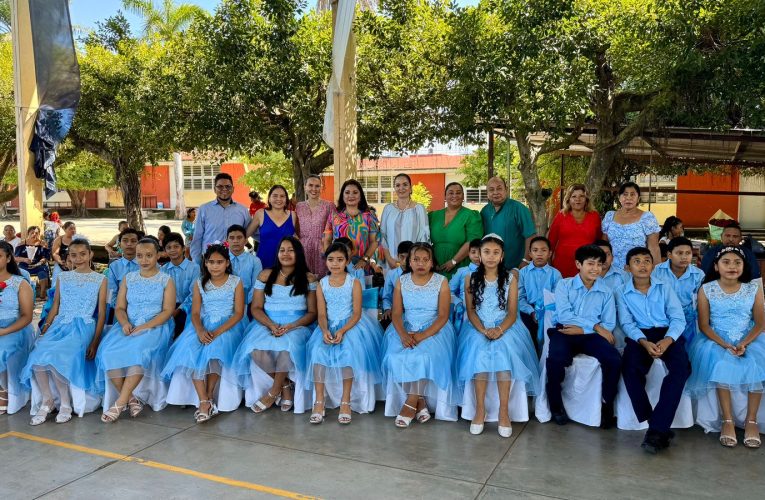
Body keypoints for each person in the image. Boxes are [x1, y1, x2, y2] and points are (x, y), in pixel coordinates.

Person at [458, 235, 540, 437]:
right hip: (478, 326)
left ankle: (504, 411)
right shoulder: (470, 278)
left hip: (506, 325)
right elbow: (470, 311)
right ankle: (480, 410)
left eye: (496, 252)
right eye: (486, 252)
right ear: (479, 255)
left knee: (504, 353)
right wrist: (484, 330)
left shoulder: (511, 278)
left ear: (502, 255)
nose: (491, 256)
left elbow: (513, 312)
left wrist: (499, 329)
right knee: (479, 353)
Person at [22, 238, 108, 425]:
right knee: (37, 355)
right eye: (74, 255)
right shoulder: (63, 277)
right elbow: (55, 307)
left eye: (83, 254)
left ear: (90, 255)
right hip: (60, 324)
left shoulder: (100, 279)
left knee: (57, 355)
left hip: (83, 326)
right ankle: (47, 401)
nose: (78, 258)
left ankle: (66, 404)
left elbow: (102, 312)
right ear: (69, 256)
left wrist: (95, 341)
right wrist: (45, 327)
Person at [687, 246, 765, 449]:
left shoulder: (753, 288)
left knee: (756, 363)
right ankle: (727, 420)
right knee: (721, 363)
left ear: (743, 266)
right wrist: (726, 345)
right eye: (726, 262)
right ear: (716, 266)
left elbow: (760, 323)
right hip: (717, 338)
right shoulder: (707, 289)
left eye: (737, 262)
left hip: (748, 337)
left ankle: (751, 420)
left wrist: (744, 343)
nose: (732, 266)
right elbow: (704, 325)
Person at [162, 243, 246, 423]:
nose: (215, 266)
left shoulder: (235, 282)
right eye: (211, 262)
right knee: (190, 353)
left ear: (227, 263)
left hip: (227, 325)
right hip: (203, 325)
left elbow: (239, 313)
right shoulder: (200, 283)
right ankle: (203, 400)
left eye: (219, 262)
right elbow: (194, 312)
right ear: (205, 263)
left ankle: (208, 396)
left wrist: (216, 332)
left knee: (214, 352)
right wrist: (200, 330)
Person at [616, 247, 688, 454]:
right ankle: (657, 424)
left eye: (647, 260)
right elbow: (627, 323)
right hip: (639, 335)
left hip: (667, 333)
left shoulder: (664, 287)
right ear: (628, 267)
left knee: (681, 370)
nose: (642, 265)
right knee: (630, 370)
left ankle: (656, 430)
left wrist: (667, 340)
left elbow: (677, 317)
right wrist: (644, 342)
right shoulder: (621, 291)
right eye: (636, 261)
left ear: (653, 265)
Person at [233, 237, 317, 414]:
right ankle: (285, 386)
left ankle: (272, 393)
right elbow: (255, 308)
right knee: (255, 350)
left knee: (287, 348)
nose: (285, 254)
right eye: (282, 250)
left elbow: (312, 313)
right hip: (267, 323)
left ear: (298, 253)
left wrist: (291, 326)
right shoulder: (265, 275)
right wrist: (271, 325)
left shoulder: (308, 277)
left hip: (297, 325)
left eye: (290, 250)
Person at [95, 238, 176, 423]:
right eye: (140, 256)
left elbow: (168, 311)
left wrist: (145, 327)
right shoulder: (129, 278)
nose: (144, 260)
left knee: (139, 352)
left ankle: (119, 403)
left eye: (149, 255)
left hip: (155, 326)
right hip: (128, 324)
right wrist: (124, 323)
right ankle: (132, 399)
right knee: (107, 352)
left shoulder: (166, 279)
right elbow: (120, 308)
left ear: (158, 255)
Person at [305, 242, 383, 424]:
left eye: (340, 260)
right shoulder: (321, 284)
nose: (335, 264)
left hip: (351, 325)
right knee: (317, 351)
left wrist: (342, 330)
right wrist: (324, 330)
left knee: (348, 352)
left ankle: (345, 400)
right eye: (331, 260)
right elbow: (322, 314)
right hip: (328, 324)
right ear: (326, 262)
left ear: (347, 261)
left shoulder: (353, 282)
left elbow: (356, 313)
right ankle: (319, 400)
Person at [382, 242, 457, 427]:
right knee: (393, 357)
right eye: (416, 259)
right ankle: (420, 401)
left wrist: (421, 336)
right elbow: (397, 313)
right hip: (405, 326)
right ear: (409, 261)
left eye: (426, 259)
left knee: (423, 356)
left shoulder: (441, 281)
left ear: (432, 262)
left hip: (434, 328)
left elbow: (443, 316)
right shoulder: (402, 281)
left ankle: (410, 403)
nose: (421, 263)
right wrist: (403, 335)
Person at [546, 244, 620, 428]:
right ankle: (556, 406)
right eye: (591, 263)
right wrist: (594, 325)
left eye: (599, 264)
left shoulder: (606, 292)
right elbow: (564, 315)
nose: (596, 268)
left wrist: (585, 330)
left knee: (614, 359)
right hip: (565, 331)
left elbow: (609, 324)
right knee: (556, 359)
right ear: (578, 264)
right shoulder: (564, 284)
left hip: (591, 336)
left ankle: (606, 404)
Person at [0, 241, 35, 415]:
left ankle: (4, 391)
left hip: (15, 328)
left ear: (8, 258)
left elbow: (27, 316)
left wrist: (4, 331)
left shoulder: (20, 283)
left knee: (2, 349)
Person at [652, 237, 705, 346]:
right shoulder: (657, 271)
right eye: (679, 253)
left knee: (689, 350)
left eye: (688, 253)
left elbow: (700, 302)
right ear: (669, 255)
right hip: (664, 317)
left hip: (689, 320)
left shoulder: (698, 274)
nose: (684, 257)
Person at [190, 173, 251, 263]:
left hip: (235, 260)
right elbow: (197, 238)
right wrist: (197, 262)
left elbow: (252, 231)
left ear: (233, 189)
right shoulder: (204, 209)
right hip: (210, 261)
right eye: (220, 186)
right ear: (214, 189)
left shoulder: (242, 210)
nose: (224, 189)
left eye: (228, 186)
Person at [429, 182, 483, 279]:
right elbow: (425, 240)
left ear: (463, 196)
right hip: (436, 268)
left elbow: (472, 241)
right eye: (451, 193)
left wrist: (454, 261)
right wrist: (432, 261)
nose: (455, 195)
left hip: (460, 267)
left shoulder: (471, 215)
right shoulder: (433, 216)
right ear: (445, 196)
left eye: (458, 193)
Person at [324, 179, 380, 274]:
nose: (351, 195)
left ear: (360, 196)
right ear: (342, 195)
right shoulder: (334, 216)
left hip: (362, 267)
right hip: (339, 267)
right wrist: (330, 260)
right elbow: (327, 240)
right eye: (347, 192)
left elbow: (374, 242)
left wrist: (364, 260)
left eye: (355, 192)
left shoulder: (369, 216)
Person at [601, 182, 661, 270]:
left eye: (633, 195)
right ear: (619, 198)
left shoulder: (647, 218)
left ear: (638, 199)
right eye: (625, 194)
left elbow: (654, 247)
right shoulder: (610, 216)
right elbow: (604, 245)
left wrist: (656, 272)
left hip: (638, 269)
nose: (628, 198)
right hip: (611, 270)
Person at [480, 177, 536, 269]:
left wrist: (526, 260)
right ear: (487, 193)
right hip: (491, 268)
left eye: (499, 188)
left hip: (515, 268)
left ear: (506, 190)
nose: (495, 192)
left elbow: (530, 236)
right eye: (491, 190)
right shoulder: (485, 211)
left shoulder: (519, 209)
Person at [547, 184, 602, 278]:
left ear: (586, 199)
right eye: (574, 196)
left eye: (581, 196)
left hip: (587, 265)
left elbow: (599, 241)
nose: (578, 199)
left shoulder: (594, 216)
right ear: (568, 199)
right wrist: (548, 265)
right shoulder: (561, 216)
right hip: (562, 265)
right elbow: (551, 241)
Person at [518, 236, 562, 349]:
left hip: (549, 310)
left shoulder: (555, 274)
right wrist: (532, 312)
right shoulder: (523, 273)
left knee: (552, 332)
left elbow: (557, 297)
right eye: (535, 250)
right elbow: (519, 298)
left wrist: (544, 311)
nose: (539, 254)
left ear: (550, 253)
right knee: (526, 331)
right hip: (528, 310)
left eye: (543, 250)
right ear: (530, 253)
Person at [379, 173, 430, 269]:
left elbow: (424, 237)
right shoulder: (388, 209)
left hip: (414, 263)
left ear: (410, 188)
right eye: (397, 185)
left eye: (405, 184)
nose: (401, 188)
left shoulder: (419, 209)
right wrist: (389, 259)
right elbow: (382, 236)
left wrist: (416, 260)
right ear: (394, 188)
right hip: (392, 262)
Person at [246, 185, 298, 269]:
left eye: (282, 196)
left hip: (286, 263)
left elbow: (299, 238)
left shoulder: (293, 215)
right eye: (275, 196)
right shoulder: (261, 214)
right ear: (269, 199)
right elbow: (245, 235)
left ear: (286, 199)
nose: (279, 199)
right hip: (264, 260)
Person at [161, 232, 199, 338]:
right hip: (167, 308)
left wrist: (178, 310)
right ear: (165, 251)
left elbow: (194, 294)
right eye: (168, 247)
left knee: (182, 332)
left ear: (183, 248)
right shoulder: (162, 270)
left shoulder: (194, 268)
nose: (172, 250)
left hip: (189, 307)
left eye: (176, 246)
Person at [295, 175, 334, 278]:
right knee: (304, 281)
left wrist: (327, 249)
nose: (314, 189)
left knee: (322, 281)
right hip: (303, 250)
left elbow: (333, 229)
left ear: (321, 188)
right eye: (310, 185)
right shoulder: (299, 206)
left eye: (317, 186)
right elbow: (295, 228)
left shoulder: (329, 206)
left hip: (322, 249)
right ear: (305, 187)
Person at [227, 224, 263, 306]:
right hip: (224, 304)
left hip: (248, 303)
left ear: (246, 240)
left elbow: (256, 286)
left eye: (239, 238)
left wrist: (243, 302)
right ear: (227, 240)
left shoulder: (255, 261)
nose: (235, 241)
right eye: (232, 238)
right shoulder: (221, 260)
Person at [106, 228, 140, 314]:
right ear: (119, 244)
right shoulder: (114, 267)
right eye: (125, 241)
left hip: (144, 312)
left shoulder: (148, 264)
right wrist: (122, 308)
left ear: (139, 244)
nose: (129, 244)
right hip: (120, 312)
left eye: (133, 241)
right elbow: (111, 294)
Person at [382, 240, 413, 325]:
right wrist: (387, 309)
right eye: (402, 257)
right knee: (385, 321)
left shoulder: (417, 274)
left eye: (408, 258)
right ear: (397, 256)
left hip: (412, 311)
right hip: (395, 310)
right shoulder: (391, 274)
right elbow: (386, 296)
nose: (404, 261)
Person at [15, 226, 50, 300]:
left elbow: (46, 257)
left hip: (38, 265)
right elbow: (15, 258)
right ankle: (24, 293)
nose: (34, 234)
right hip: (24, 265)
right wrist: (24, 259)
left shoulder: (43, 244)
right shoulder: (21, 243)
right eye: (32, 233)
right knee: (21, 273)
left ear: (39, 234)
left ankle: (42, 294)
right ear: (28, 234)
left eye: (36, 233)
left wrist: (39, 263)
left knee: (42, 273)